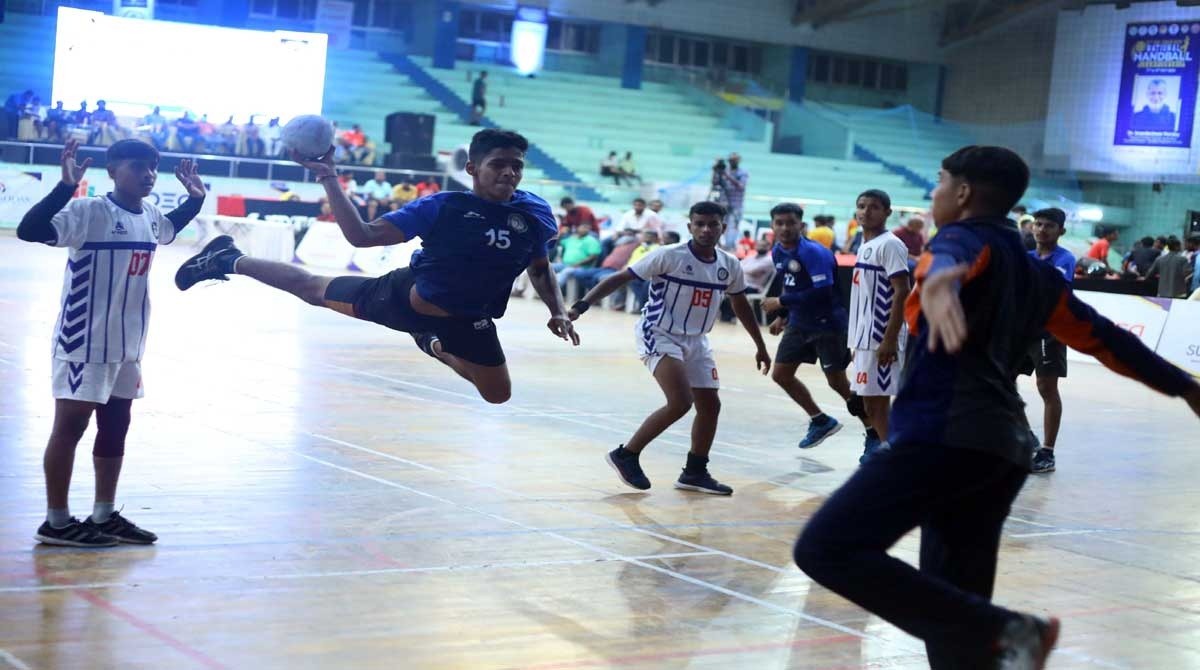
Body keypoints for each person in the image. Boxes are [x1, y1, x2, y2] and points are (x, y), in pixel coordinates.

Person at [793, 145, 1200, 669]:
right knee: (953, 616)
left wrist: (943, 281)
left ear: (962, 192)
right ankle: (995, 635)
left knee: (826, 549)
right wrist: (1186, 387)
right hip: (1001, 452)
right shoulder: (1038, 275)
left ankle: (1009, 629)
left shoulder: (961, 239)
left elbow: (954, 259)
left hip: (944, 439)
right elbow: (1106, 339)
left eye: (940, 182)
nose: (935, 193)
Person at [174, 128, 579, 404]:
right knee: (314, 289)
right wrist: (330, 177)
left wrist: (558, 310)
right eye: (498, 164)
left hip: (472, 320)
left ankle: (432, 342)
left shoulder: (535, 213)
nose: (509, 172)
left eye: (517, 166)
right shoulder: (443, 206)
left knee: (497, 395)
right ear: (472, 169)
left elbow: (539, 267)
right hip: (403, 300)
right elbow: (362, 236)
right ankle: (229, 258)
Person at [17, 139, 206, 547]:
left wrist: (196, 199)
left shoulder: (151, 215)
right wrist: (64, 188)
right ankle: (57, 521)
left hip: (127, 344)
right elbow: (29, 230)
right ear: (113, 171)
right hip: (84, 340)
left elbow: (170, 227)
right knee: (70, 427)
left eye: (153, 167)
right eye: (138, 166)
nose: (148, 174)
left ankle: (103, 515)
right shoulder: (89, 212)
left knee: (116, 425)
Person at [567, 201, 771, 495]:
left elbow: (740, 304)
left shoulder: (730, 265)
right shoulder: (668, 256)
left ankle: (694, 472)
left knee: (710, 405)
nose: (705, 229)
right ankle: (626, 454)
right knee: (680, 402)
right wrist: (580, 307)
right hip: (659, 332)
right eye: (699, 224)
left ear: (722, 228)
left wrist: (760, 345)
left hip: (697, 339)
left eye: (712, 224)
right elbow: (620, 278)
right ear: (690, 227)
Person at [760, 204, 866, 451]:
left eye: (790, 222)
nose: (785, 228)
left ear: (801, 225)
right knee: (781, 375)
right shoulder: (778, 251)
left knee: (838, 383)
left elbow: (822, 292)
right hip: (799, 324)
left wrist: (780, 302)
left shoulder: (814, 253)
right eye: (779, 223)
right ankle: (820, 420)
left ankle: (874, 432)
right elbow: (792, 285)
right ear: (773, 226)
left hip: (828, 326)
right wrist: (783, 315)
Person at [846, 189, 911, 463]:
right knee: (870, 403)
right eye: (861, 206)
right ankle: (891, 454)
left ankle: (894, 459)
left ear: (887, 212)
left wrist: (889, 338)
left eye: (873, 207)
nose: (866, 211)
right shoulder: (864, 244)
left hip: (880, 336)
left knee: (878, 402)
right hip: (863, 338)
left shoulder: (890, 244)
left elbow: (902, 291)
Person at [1019, 208, 1075, 474]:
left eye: (1049, 226)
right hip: (1021, 330)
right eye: (1038, 224)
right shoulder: (1026, 257)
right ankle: (1027, 437)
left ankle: (1048, 452)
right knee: (999, 382)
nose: (1041, 229)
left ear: (1060, 231)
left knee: (1046, 388)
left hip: (1049, 332)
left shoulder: (1065, 258)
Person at [553, 222, 601, 296]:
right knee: (548, 266)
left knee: (567, 271)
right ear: (577, 228)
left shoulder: (591, 240)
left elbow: (593, 256)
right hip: (565, 264)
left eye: (588, 228)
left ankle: (552, 291)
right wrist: (561, 233)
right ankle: (540, 288)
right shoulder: (571, 238)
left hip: (582, 267)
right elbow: (557, 242)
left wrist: (578, 264)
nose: (585, 230)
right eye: (583, 227)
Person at [715, 153, 748, 249]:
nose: (732, 162)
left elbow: (741, 186)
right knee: (721, 224)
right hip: (723, 204)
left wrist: (726, 175)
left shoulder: (742, 172)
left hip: (736, 205)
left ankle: (730, 246)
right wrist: (716, 171)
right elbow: (715, 183)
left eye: (734, 160)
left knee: (733, 226)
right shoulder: (724, 171)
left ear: (739, 160)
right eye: (730, 160)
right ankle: (719, 244)